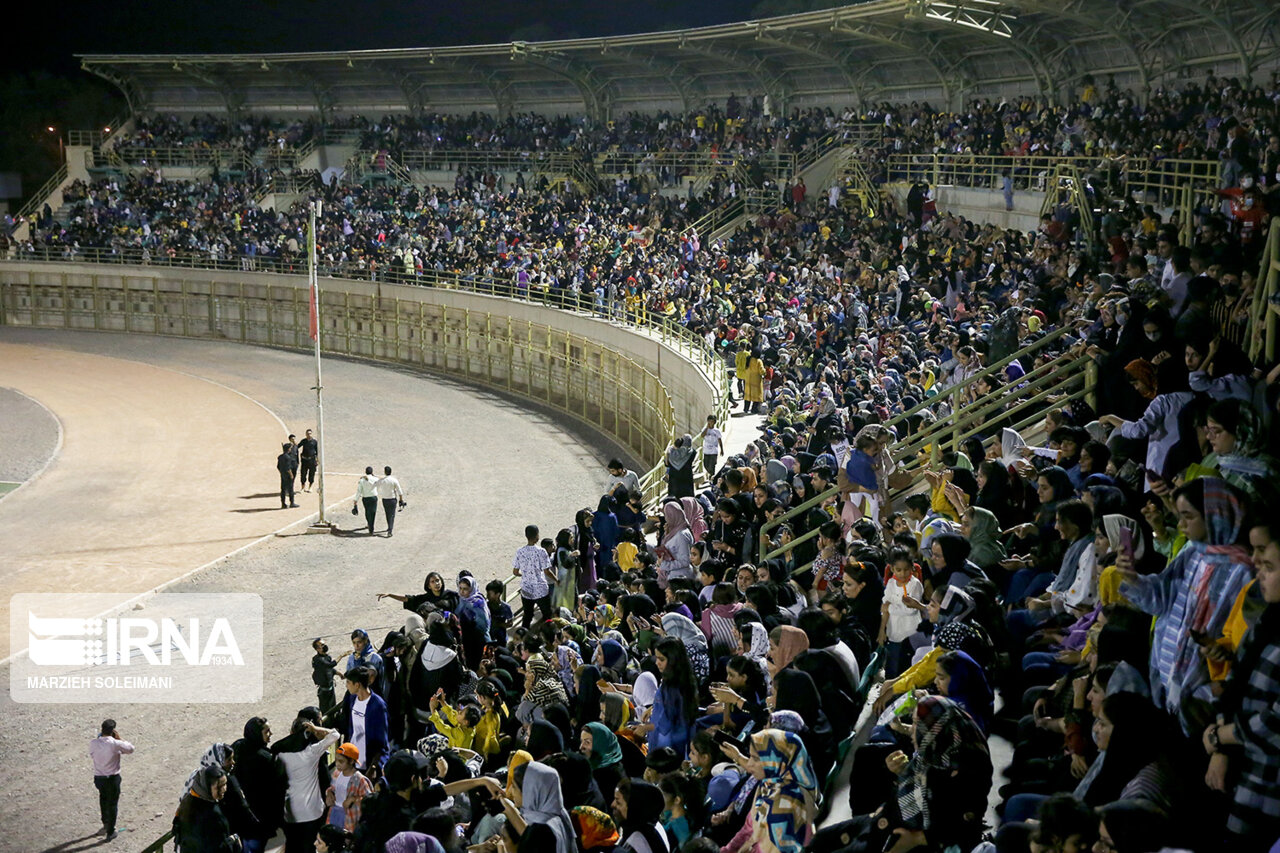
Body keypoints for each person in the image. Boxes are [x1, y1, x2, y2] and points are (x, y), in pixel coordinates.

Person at [274, 714, 341, 851]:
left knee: (293, 847)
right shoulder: (312, 752)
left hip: (291, 812)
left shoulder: (281, 754)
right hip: (313, 812)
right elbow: (335, 734)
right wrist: (316, 728)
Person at [174, 765, 238, 853]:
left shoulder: (186, 802)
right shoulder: (213, 814)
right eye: (218, 787)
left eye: (225, 784)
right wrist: (234, 842)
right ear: (207, 786)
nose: (224, 789)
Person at [89, 718, 134, 841]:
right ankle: (110, 831)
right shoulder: (115, 744)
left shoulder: (93, 743)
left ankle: (105, 822)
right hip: (112, 778)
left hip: (99, 778)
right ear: (113, 730)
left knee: (103, 798)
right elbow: (130, 749)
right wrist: (119, 739)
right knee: (113, 803)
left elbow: (93, 753)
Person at [513, 524, 555, 628]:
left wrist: (525, 574)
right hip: (541, 589)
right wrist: (557, 580)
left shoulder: (520, 551)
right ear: (537, 536)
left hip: (526, 589)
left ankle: (522, 636)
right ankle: (548, 634)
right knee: (547, 614)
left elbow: (515, 572)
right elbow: (547, 571)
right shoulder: (541, 551)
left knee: (527, 615)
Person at [376, 466, 405, 537]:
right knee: (392, 515)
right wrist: (401, 500)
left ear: (385, 472)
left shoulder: (382, 480)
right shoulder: (394, 480)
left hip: (385, 500)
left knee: (387, 514)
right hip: (392, 499)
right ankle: (390, 530)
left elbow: (376, 483)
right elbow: (400, 491)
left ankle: (389, 527)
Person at [355, 467, 379, 535]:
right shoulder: (375, 479)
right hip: (373, 498)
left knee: (367, 512)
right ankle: (371, 527)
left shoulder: (362, 480)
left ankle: (369, 524)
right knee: (373, 512)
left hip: (366, 498)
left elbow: (359, 491)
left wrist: (355, 500)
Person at [277, 441, 298, 508]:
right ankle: (292, 503)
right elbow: (288, 468)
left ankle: (283, 504)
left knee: (283, 489)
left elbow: (278, 466)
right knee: (290, 489)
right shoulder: (288, 458)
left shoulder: (280, 457)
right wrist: (291, 475)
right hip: (288, 475)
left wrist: (281, 472)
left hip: (283, 475)